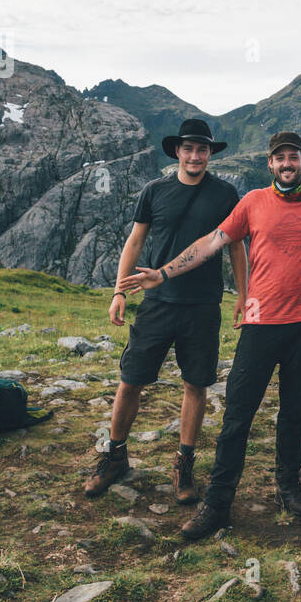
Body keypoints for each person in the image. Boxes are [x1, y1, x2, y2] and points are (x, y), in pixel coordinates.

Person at [120, 132, 301, 540]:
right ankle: (217, 503)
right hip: (260, 326)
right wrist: (164, 272)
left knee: (293, 413)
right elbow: (212, 243)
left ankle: (288, 488)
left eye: (293, 157)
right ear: (271, 165)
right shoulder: (252, 203)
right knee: (238, 416)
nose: (287, 163)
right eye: (280, 158)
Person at [85, 119, 246, 507]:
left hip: (204, 305)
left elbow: (236, 247)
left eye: (202, 150)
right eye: (189, 149)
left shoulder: (226, 194)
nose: (195, 156)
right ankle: (115, 456)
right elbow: (135, 241)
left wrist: (244, 295)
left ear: (210, 153)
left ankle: (184, 464)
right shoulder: (154, 191)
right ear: (177, 151)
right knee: (131, 380)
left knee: (196, 385)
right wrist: (119, 292)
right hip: (157, 303)